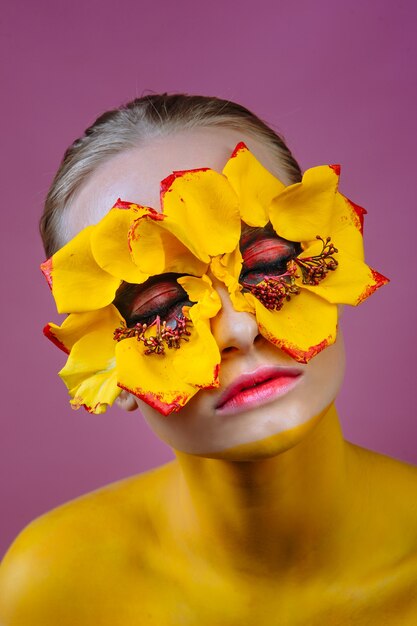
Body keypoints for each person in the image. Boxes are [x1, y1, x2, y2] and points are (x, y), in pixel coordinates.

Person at [0, 94, 416, 625]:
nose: (238, 330)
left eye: (266, 263)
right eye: (159, 306)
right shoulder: (55, 588)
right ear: (107, 370)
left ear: (335, 257)